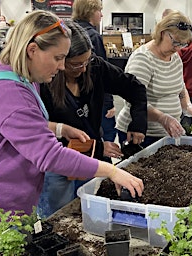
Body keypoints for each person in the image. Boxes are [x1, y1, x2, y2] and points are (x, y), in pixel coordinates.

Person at [0, 10, 144, 255]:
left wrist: (61, 128)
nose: (62, 66)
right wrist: (111, 170)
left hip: (7, 200)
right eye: (57, 57)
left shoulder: (16, 75)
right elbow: (50, 156)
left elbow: (16, 126)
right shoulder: (9, 92)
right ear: (32, 50)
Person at [38, 20, 147, 217]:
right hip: (56, 165)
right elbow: (38, 131)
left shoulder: (94, 67)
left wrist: (138, 122)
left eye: (86, 61)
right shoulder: (43, 81)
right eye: (75, 64)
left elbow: (135, 88)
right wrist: (95, 147)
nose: (83, 68)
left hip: (91, 158)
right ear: (60, 60)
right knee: (59, 216)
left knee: (90, 213)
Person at [115, 11, 192, 148]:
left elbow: (180, 86)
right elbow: (132, 100)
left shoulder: (175, 57)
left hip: (166, 134)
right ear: (163, 33)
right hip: (142, 134)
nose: (177, 48)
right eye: (175, 42)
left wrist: (187, 106)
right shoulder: (143, 59)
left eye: (182, 44)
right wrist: (162, 118)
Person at [72, 0, 118, 146]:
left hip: (74, 97)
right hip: (94, 95)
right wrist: (108, 102)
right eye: (99, 11)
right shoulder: (92, 36)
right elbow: (101, 74)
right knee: (107, 134)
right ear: (90, 11)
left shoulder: (70, 31)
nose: (101, 15)